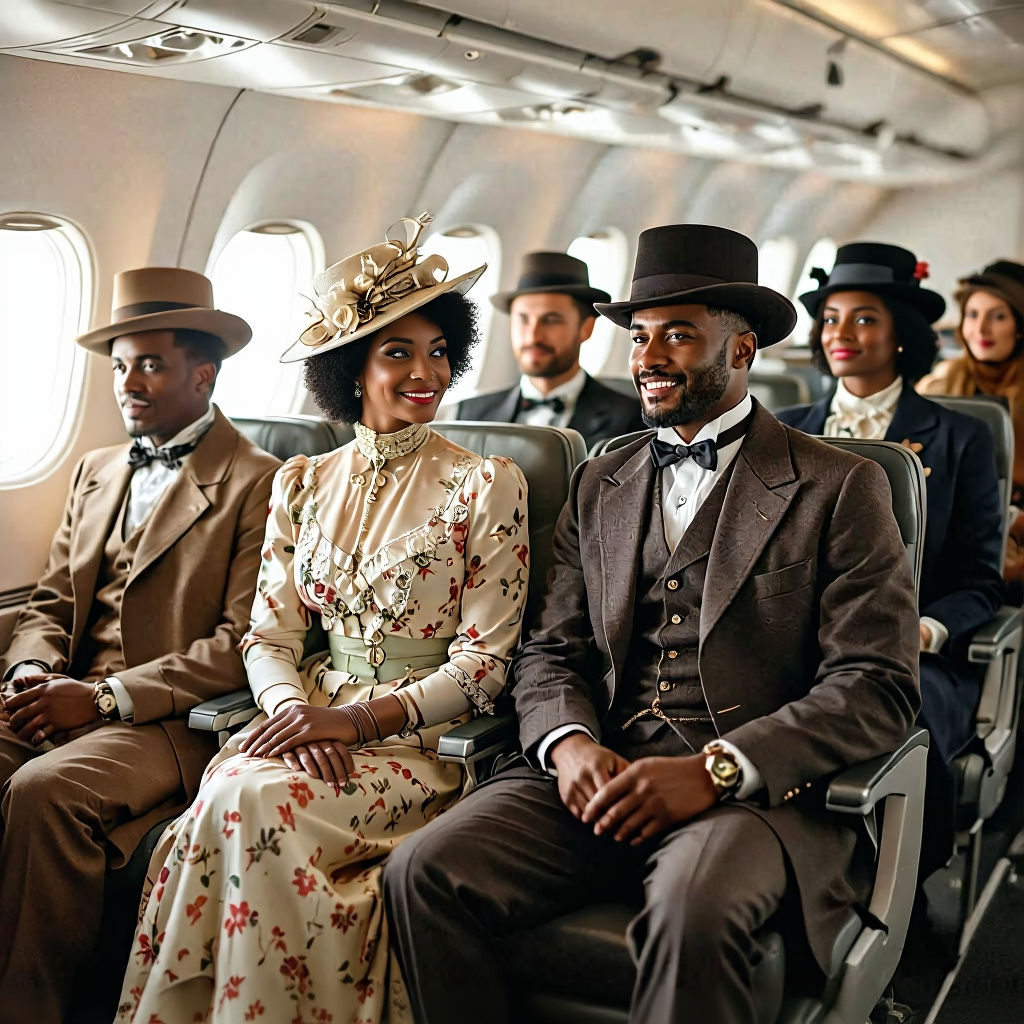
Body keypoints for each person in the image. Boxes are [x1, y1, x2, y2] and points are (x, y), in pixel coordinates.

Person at [383, 223, 921, 1024]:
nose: (647, 356)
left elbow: (875, 686)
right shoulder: (602, 477)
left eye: (678, 334)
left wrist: (717, 770)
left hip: (754, 796)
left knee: (692, 912)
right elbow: (552, 649)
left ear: (741, 352)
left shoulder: (840, 486)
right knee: (423, 870)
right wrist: (568, 747)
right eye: (639, 336)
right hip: (599, 764)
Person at [115, 214, 530, 1024]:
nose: (426, 371)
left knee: (250, 803)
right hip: (298, 722)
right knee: (232, 785)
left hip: (416, 744)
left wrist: (352, 722)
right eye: (398, 352)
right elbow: (266, 636)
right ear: (351, 370)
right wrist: (292, 715)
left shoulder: (489, 485)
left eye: (439, 350)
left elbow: (484, 664)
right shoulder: (301, 482)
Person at [0, 267, 280, 1023]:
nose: (130, 383)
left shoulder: (260, 480)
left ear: (204, 373)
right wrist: (29, 669)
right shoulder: (95, 470)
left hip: (166, 719)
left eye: (151, 364)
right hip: (64, 691)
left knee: (43, 792)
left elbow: (239, 642)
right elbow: (53, 599)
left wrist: (97, 697)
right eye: (121, 366)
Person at [774, 244, 1004, 994]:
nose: (842, 332)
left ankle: (890, 906)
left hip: (913, 653)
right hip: (793, 650)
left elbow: (977, 581)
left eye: (864, 318)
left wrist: (926, 631)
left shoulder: (959, 436)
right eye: (832, 318)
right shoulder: (783, 429)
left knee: (906, 733)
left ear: (901, 331)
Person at [456, 251, 644, 449]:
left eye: (551, 320)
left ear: (586, 328)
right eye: (523, 319)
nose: (533, 336)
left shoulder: (632, 420)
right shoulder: (469, 414)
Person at [918, 258, 1024, 582]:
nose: (981, 329)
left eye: (998, 317)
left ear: (1019, 326)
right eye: (973, 315)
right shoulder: (942, 382)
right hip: (955, 518)